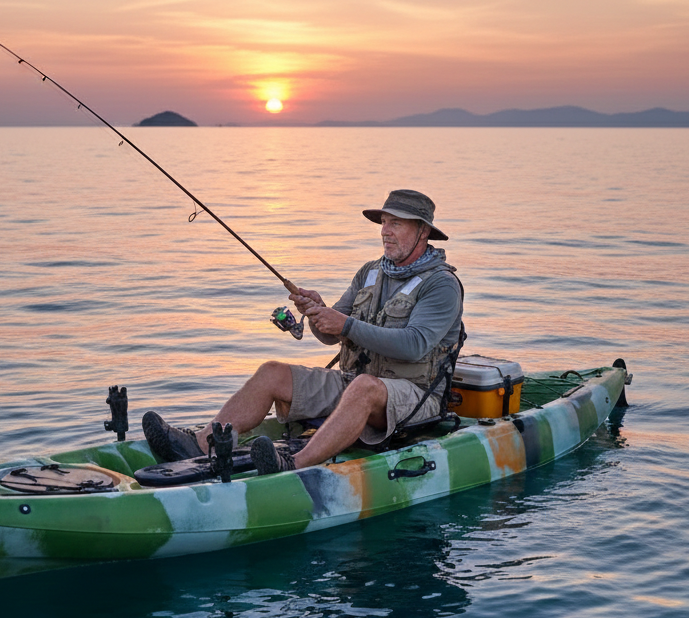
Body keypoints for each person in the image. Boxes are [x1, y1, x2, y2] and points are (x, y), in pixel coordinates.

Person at [142, 189, 465, 475]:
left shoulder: (441, 284)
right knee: (272, 373)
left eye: (396, 223)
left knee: (365, 387)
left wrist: (345, 324)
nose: (385, 232)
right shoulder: (370, 271)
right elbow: (330, 335)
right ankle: (201, 444)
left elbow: (414, 346)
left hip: (415, 396)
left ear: (423, 231)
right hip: (354, 385)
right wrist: (316, 312)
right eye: (384, 222)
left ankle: (294, 465)